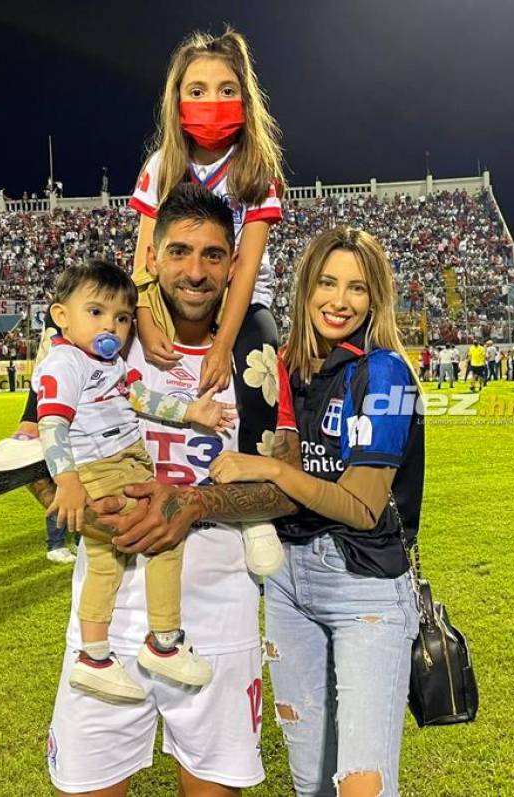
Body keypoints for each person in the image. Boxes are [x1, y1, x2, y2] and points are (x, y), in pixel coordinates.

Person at [44, 184, 296, 795]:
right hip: (106, 621)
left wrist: (194, 504)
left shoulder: (257, 349)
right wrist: (93, 514)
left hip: (217, 620)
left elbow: (285, 488)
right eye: (179, 251)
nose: (196, 269)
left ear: (234, 265)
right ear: (151, 258)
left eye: (214, 255)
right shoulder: (98, 332)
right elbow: (35, 456)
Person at [209, 226, 422, 797]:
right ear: (306, 288)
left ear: (375, 298)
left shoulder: (386, 373)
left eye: (357, 288)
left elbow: (360, 504)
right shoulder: (286, 367)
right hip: (285, 582)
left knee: (362, 786)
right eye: (327, 282)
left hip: (365, 586)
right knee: (310, 784)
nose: (339, 300)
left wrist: (274, 469)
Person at [34, 259, 243, 703]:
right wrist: (67, 479)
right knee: (164, 537)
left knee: (106, 561)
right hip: (104, 467)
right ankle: (163, 642)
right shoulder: (65, 363)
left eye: (123, 317)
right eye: (96, 312)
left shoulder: (105, 361)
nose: (112, 325)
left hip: (124, 462)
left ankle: (93, 657)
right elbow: (51, 422)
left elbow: (142, 398)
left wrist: (191, 411)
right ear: (60, 316)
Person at [129, 27, 285, 403]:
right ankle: (36, 419)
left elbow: (246, 264)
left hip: (236, 297)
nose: (213, 101)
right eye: (197, 91)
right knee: (80, 310)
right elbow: (143, 255)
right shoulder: (162, 165)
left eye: (227, 91)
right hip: (173, 292)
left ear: (245, 100)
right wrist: (145, 319)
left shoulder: (256, 169)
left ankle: (256, 450)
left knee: (260, 350)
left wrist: (224, 343)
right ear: (177, 101)